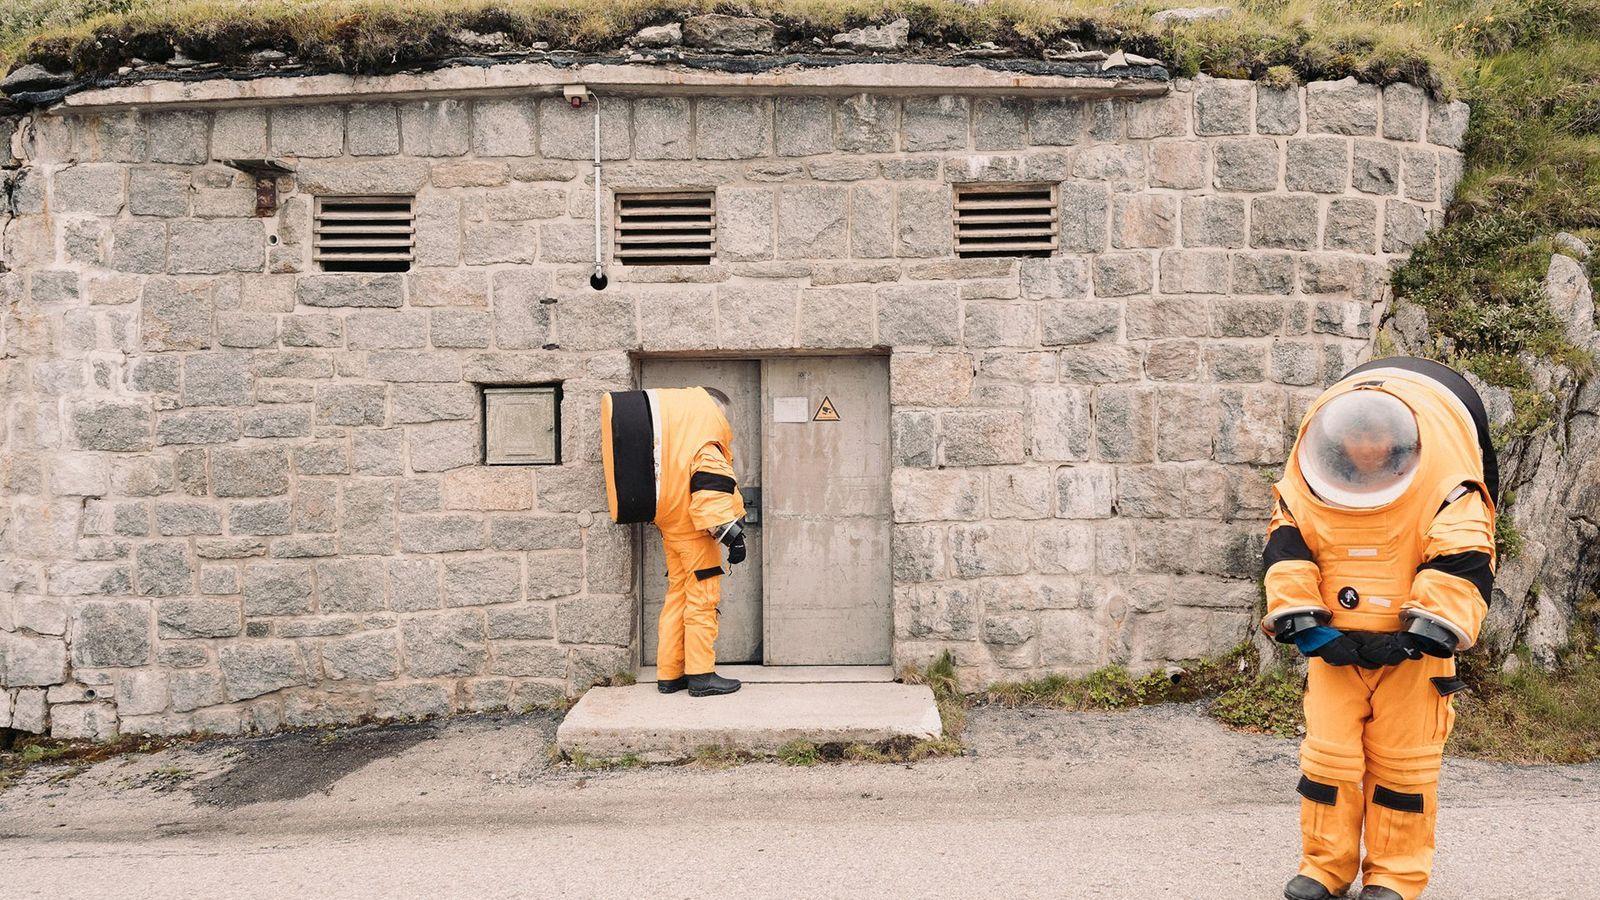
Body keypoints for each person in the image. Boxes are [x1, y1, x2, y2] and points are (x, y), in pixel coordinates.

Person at [1262, 358, 1497, 900]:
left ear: (1401, 439)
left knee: (1404, 768)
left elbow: (1461, 561)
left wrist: (1418, 636)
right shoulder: (1309, 485)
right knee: (1328, 760)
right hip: (1334, 650)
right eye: (1356, 434)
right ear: (1335, 438)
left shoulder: (1445, 486)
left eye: (1377, 434)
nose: (1366, 445)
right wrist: (1312, 632)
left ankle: (1395, 876)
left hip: (1413, 656)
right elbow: (1287, 552)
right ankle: (1324, 866)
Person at [602, 385, 747, 697]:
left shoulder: (675, 444)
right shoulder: (704, 445)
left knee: (677, 598)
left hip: (674, 530)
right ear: (711, 411)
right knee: (702, 601)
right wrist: (733, 536)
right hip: (697, 536)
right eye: (720, 412)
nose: (723, 418)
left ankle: (670, 674)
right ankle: (701, 675)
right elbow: (710, 496)